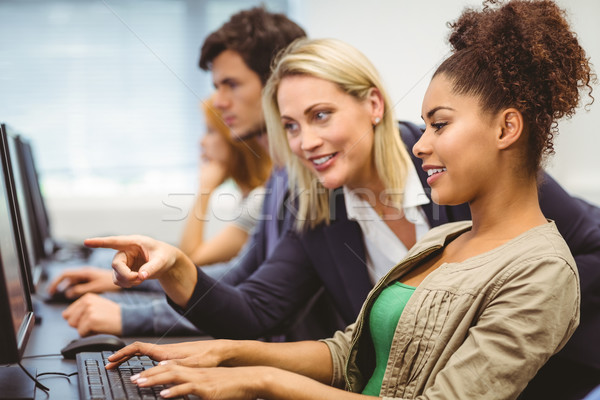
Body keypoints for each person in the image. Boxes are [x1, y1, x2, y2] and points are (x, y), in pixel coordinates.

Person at [92, 0, 593, 394]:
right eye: (290, 125)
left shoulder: (465, 165)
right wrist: (177, 269)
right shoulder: (318, 204)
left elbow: (570, 255)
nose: (304, 141)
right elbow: (263, 312)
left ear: (373, 104)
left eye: (321, 115)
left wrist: (497, 302)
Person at [47, 7, 307, 338]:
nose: (219, 101)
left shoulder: (308, 183)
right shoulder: (279, 179)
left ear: (279, 83)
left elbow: (260, 306)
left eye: (231, 85)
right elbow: (235, 279)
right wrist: (149, 277)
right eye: (217, 86)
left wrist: (129, 315)